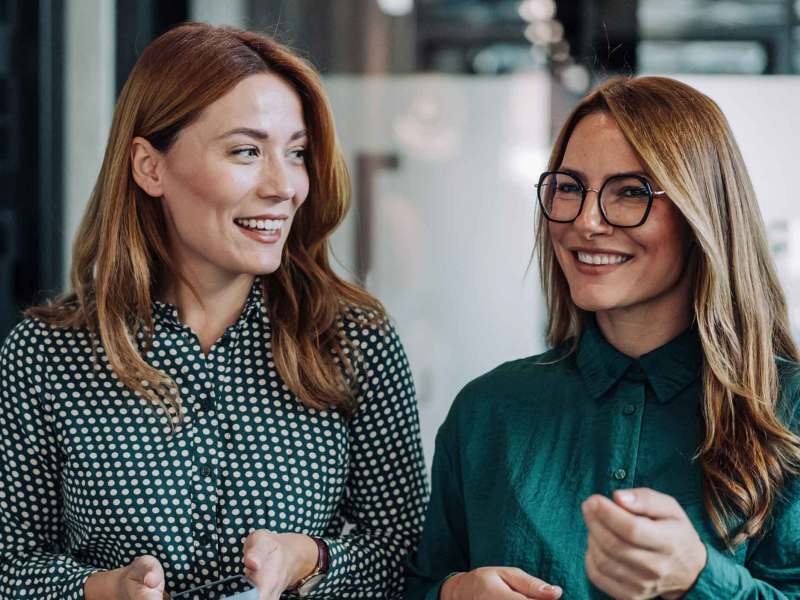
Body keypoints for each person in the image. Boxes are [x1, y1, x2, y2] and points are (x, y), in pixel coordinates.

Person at [0, 23, 428, 600]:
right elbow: (10, 565)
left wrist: (308, 559)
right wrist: (105, 589)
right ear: (150, 167)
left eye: (296, 153)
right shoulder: (46, 354)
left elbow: (408, 557)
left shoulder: (352, 340)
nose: (284, 186)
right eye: (246, 151)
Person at [405, 76, 800, 600]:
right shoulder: (487, 411)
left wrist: (699, 579)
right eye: (569, 188)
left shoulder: (788, 412)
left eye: (631, 192)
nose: (587, 222)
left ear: (701, 212)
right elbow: (422, 583)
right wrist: (452, 593)